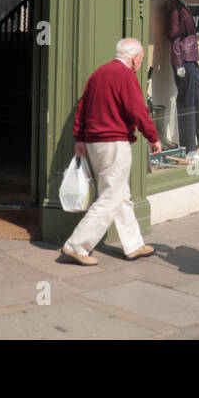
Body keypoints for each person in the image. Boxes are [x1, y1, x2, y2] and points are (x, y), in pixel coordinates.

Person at [61, 38, 161, 266]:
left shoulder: (98, 74)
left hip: (95, 143)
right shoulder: (125, 76)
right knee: (110, 197)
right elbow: (138, 110)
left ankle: (134, 244)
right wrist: (153, 137)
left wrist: (80, 137)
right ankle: (76, 246)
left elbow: (83, 108)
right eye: (141, 59)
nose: (140, 64)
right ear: (134, 57)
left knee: (120, 195)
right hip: (114, 144)